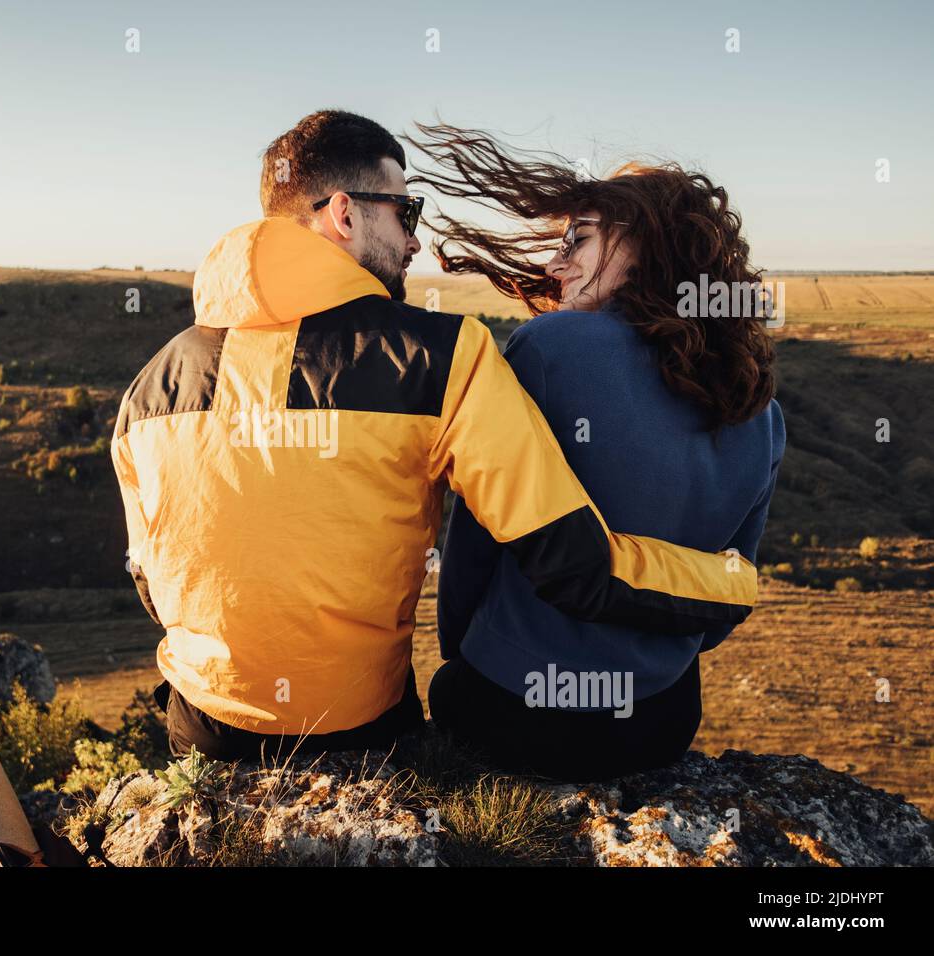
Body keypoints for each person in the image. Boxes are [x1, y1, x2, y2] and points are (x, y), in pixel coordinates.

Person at [110, 109, 758, 763]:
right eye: (406, 212)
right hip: (360, 733)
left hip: (203, 728)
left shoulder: (147, 389)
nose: (417, 243)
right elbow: (574, 565)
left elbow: (151, 580)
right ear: (344, 213)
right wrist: (737, 583)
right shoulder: (444, 357)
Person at [408, 122, 785, 780]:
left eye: (577, 239)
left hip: (516, 714)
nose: (556, 266)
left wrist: (462, 663)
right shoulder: (762, 412)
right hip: (664, 719)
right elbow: (726, 594)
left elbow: (476, 545)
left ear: (642, 242)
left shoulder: (553, 349)